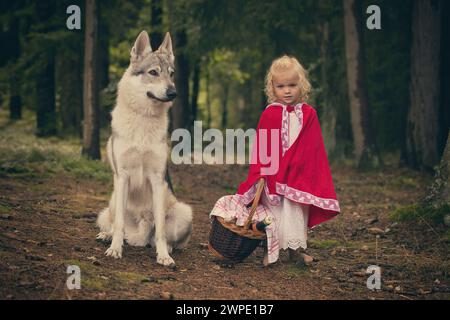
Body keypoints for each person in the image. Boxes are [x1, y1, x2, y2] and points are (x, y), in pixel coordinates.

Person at [236, 55, 341, 266]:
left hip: (299, 175)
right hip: (274, 175)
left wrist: (300, 167)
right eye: (281, 86)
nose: (287, 91)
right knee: (273, 214)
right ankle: (269, 251)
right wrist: (263, 172)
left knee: (295, 213)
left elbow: (314, 147)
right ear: (272, 87)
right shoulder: (270, 113)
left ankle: (295, 251)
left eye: (292, 85)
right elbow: (263, 147)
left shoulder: (309, 114)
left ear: (301, 84)